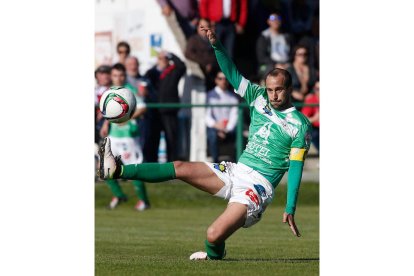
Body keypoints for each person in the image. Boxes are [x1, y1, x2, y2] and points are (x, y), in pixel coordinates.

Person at [99, 24, 312, 260]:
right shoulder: (258, 96)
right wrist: (216, 45)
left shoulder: (299, 124)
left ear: (289, 89)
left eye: (279, 90)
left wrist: (290, 207)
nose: (273, 95)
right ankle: (116, 170)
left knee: (212, 235)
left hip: (257, 187)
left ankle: (214, 258)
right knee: (180, 167)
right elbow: (232, 73)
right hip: (236, 170)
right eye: (270, 89)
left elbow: (295, 168)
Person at [101, 63, 151, 211]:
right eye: (115, 75)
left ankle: (144, 201)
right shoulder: (110, 91)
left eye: (121, 75)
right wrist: (105, 124)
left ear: (125, 76)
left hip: (128, 137)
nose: (118, 78)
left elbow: (143, 107)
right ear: (112, 76)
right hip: (113, 137)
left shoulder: (130, 91)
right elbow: (108, 112)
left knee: (133, 170)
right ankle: (119, 195)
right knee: (104, 167)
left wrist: (127, 118)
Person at [144, 51, 186, 162]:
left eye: (165, 58)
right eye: (160, 58)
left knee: (171, 140)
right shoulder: (151, 72)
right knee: (153, 140)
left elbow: (182, 66)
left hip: (169, 111)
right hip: (155, 112)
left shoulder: (173, 71)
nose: (163, 60)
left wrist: (171, 54)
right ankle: (152, 165)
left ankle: (172, 166)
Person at [206, 71, 239, 163]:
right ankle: (215, 162)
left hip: (227, 129)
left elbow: (234, 118)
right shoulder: (209, 95)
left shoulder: (233, 98)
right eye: (220, 78)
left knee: (239, 132)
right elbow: (207, 117)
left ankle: (237, 162)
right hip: (214, 128)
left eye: (225, 79)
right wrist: (217, 127)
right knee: (212, 134)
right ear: (216, 80)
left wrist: (225, 129)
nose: (223, 81)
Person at [185, 18, 219, 91]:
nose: (204, 29)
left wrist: (211, 64)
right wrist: (204, 63)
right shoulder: (193, 39)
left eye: (206, 26)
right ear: (197, 28)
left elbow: (217, 53)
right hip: (199, 72)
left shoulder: (213, 39)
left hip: (213, 73)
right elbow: (188, 53)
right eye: (201, 27)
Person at [256, 12, 291, 78]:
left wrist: (287, 64)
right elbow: (261, 57)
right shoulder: (264, 37)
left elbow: (292, 53)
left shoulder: (287, 36)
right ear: (268, 21)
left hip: (286, 63)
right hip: (269, 65)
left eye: (278, 18)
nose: (276, 20)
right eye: (273, 18)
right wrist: (275, 64)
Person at [301, 80, 319, 153]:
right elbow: (303, 119)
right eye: (317, 89)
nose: (319, 91)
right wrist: (314, 119)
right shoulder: (311, 99)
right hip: (316, 129)